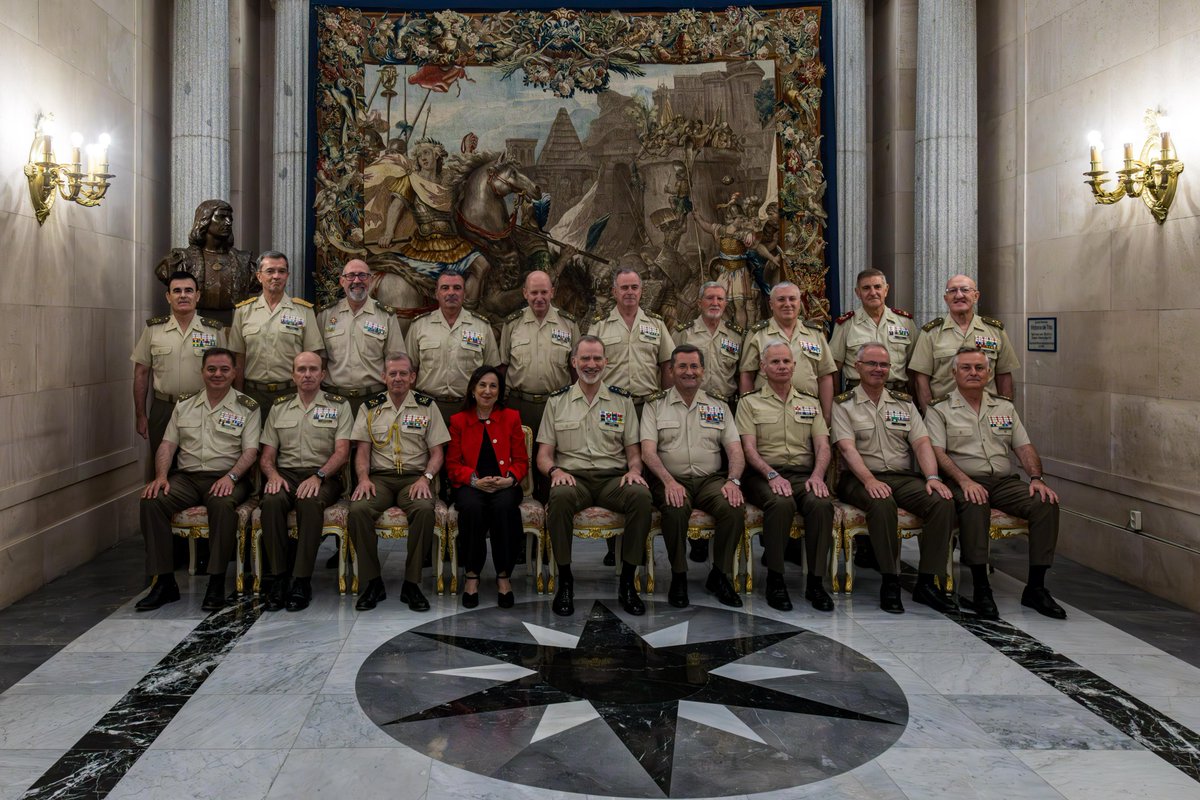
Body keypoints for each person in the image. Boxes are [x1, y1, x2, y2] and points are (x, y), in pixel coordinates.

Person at [925, 347, 1065, 620]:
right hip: (962, 480)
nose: (973, 373)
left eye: (979, 368)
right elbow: (937, 453)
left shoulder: (1004, 407)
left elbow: (1023, 447)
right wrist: (965, 481)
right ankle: (981, 587)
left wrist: (1037, 478)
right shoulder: (939, 409)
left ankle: (1036, 587)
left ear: (989, 373)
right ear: (954, 373)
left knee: (1045, 502)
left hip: (1002, 481)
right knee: (975, 503)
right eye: (966, 368)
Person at [831, 342, 957, 614]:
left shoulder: (904, 403)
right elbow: (847, 449)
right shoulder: (844, 404)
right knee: (881, 503)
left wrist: (932, 477)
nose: (878, 369)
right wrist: (869, 481)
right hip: (858, 478)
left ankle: (927, 582)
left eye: (884, 364)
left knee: (941, 502)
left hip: (902, 477)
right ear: (857, 367)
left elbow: (922, 443)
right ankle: (890, 580)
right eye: (872, 363)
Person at [134, 348, 260, 612]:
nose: (217, 374)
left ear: (234, 373)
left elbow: (250, 451)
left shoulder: (247, 406)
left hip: (228, 477)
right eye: (211, 369)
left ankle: (216, 581)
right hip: (187, 478)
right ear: (202, 372)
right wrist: (160, 477)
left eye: (224, 369)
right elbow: (167, 445)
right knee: (152, 501)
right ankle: (164, 581)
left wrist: (231, 477)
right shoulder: (184, 405)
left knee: (222, 505)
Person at [537, 336, 652, 617]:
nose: (592, 364)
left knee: (641, 495)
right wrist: (555, 471)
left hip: (613, 479)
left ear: (606, 362)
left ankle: (627, 582)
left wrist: (634, 471)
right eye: (585, 358)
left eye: (597, 358)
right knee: (559, 496)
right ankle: (565, 581)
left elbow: (634, 453)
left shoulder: (622, 401)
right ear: (574, 362)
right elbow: (544, 455)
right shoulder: (557, 401)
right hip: (573, 478)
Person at [641, 345, 745, 609]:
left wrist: (733, 481)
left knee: (733, 506)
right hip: (671, 478)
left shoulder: (718, 405)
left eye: (694, 366)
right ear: (671, 370)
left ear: (703, 371)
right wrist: (668, 481)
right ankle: (679, 575)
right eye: (683, 366)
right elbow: (648, 452)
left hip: (711, 480)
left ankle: (719, 575)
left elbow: (735, 450)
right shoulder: (655, 405)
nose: (689, 372)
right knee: (675, 508)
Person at [735, 342, 836, 612]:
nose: (782, 366)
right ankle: (775, 580)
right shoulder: (749, 402)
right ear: (763, 367)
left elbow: (823, 446)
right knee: (780, 503)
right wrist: (771, 475)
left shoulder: (810, 402)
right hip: (762, 474)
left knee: (821, 504)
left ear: (794, 366)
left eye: (786, 361)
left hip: (804, 475)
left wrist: (818, 475)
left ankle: (815, 582)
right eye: (775, 362)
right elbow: (748, 449)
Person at [348, 352, 449, 612]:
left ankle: (412, 584)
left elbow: (437, 453)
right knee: (358, 510)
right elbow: (362, 451)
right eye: (392, 373)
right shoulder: (369, 407)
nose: (398, 378)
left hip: (415, 478)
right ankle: (373, 582)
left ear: (412, 377)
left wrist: (426, 478)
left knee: (424, 510)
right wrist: (363, 479)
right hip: (379, 478)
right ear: (383, 377)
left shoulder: (427, 406)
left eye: (403, 373)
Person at [257, 352, 351, 612]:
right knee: (271, 501)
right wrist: (273, 475)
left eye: (313, 369)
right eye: (301, 369)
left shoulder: (339, 406)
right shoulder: (279, 407)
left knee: (309, 501)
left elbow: (342, 452)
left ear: (323, 374)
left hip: (324, 475)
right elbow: (267, 456)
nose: (307, 374)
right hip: (285, 474)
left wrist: (319, 476)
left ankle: (301, 580)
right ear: (293, 375)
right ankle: (279, 578)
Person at [446, 366, 528, 609]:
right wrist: (474, 480)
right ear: (472, 389)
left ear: (499, 391)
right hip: (471, 484)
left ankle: (503, 575)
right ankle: (472, 575)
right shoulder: (458, 421)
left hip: (505, 484)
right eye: (482, 385)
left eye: (493, 386)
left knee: (504, 508)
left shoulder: (511, 417)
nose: (487, 391)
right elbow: (452, 465)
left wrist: (510, 479)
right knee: (472, 508)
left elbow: (521, 461)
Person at [499, 269, 579, 501]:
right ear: (525, 293)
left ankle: (551, 506)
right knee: (518, 460)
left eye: (544, 292)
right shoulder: (512, 324)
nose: (539, 298)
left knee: (553, 461)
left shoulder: (568, 324)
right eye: (534, 293)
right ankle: (521, 511)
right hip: (519, 405)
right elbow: (503, 367)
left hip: (557, 405)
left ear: (552, 292)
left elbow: (576, 369)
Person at [131, 270, 226, 454]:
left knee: (200, 463)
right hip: (163, 409)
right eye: (177, 291)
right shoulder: (153, 330)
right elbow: (141, 373)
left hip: (203, 407)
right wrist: (140, 415)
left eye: (188, 290)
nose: (183, 295)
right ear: (168, 297)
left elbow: (226, 374)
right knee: (161, 462)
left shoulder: (214, 330)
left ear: (197, 296)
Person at [229, 251, 323, 418]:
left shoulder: (304, 311)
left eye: (281, 271)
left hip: (291, 392)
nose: (276, 276)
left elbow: (313, 357)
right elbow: (239, 358)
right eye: (270, 271)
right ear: (259, 276)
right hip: (253, 393)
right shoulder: (243, 311)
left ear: (287, 276)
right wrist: (238, 395)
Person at [909, 274, 1019, 412]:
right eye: (952, 291)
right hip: (946, 414)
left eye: (965, 290)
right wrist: (931, 417)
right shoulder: (930, 333)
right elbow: (921, 381)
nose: (959, 295)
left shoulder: (995, 331)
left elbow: (1004, 376)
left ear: (976, 296)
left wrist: (1005, 413)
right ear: (946, 299)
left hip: (987, 413)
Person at [407, 272, 500, 427]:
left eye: (457, 288)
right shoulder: (419, 326)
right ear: (436, 293)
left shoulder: (481, 327)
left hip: (469, 408)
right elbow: (409, 371)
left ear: (465, 293)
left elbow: (492, 372)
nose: (451, 293)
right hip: (427, 407)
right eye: (445, 288)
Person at [317, 259, 407, 416]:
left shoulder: (386, 316)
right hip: (333, 400)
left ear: (370, 280)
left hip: (374, 399)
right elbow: (320, 361)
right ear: (342, 281)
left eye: (362, 275)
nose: (357, 280)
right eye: (351, 276)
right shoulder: (326, 314)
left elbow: (397, 361)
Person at [739, 281, 837, 422]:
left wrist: (827, 416)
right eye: (781, 299)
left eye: (792, 299)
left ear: (799, 303)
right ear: (771, 304)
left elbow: (825, 376)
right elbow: (747, 375)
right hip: (767, 413)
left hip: (807, 412)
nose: (787, 304)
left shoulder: (815, 333)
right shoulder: (757, 334)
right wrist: (747, 412)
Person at [155, 199, 257, 325]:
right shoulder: (180, 260)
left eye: (230, 218)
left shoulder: (244, 262)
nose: (228, 222)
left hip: (233, 327)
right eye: (221, 217)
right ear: (204, 220)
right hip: (195, 327)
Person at [590, 268, 675, 412]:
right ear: (614, 292)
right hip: (611, 405)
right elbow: (590, 365)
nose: (630, 292)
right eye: (624, 288)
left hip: (648, 406)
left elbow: (667, 364)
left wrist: (667, 402)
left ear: (641, 291)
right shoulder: (599, 326)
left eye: (634, 287)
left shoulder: (657, 324)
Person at [829, 269, 916, 392]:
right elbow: (834, 369)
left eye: (877, 287)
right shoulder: (846, 324)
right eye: (866, 288)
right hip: (857, 395)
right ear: (858, 292)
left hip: (897, 394)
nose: (873, 292)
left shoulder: (905, 323)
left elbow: (914, 367)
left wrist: (912, 399)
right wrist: (837, 400)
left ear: (886, 290)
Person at [673, 282, 744, 401]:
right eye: (710, 298)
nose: (715, 303)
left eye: (720, 299)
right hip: (692, 403)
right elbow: (671, 370)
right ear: (699, 303)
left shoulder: (735, 336)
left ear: (725, 304)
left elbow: (742, 373)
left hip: (726, 403)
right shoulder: (684, 333)